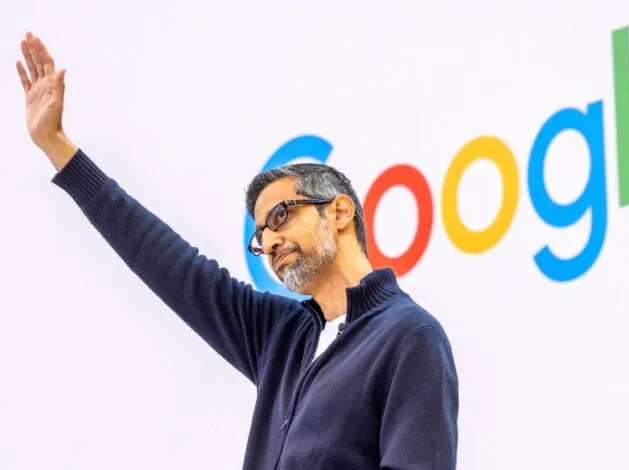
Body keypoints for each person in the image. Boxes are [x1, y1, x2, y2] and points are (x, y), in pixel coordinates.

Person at [16, 32, 458, 469]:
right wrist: (57, 146)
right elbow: (169, 264)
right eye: (260, 233)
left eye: (281, 216)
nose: (268, 241)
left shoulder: (410, 337)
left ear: (340, 211)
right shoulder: (280, 336)